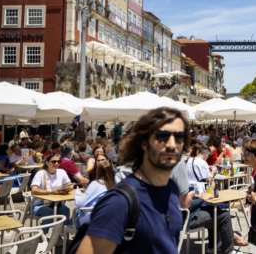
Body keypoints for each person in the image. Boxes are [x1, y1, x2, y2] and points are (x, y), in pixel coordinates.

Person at [76, 107, 189, 253]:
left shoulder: (172, 190)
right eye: (162, 136)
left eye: (179, 137)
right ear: (144, 143)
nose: (172, 144)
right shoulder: (120, 202)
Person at [30, 153, 73, 224]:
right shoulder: (40, 173)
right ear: (47, 163)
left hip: (55, 203)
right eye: (53, 161)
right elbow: (34, 191)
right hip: (38, 205)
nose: (56, 163)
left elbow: (70, 184)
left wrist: (68, 188)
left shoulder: (61, 172)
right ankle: (43, 234)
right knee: (49, 212)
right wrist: (51, 192)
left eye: (58, 162)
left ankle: (60, 233)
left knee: (65, 210)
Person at [74, 154, 115, 227]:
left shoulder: (96, 183)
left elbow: (80, 204)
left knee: (76, 212)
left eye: (102, 160)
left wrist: (77, 192)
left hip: (92, 218)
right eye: (98, 160)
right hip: (109, 217)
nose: (100, 162)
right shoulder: (117, 182)